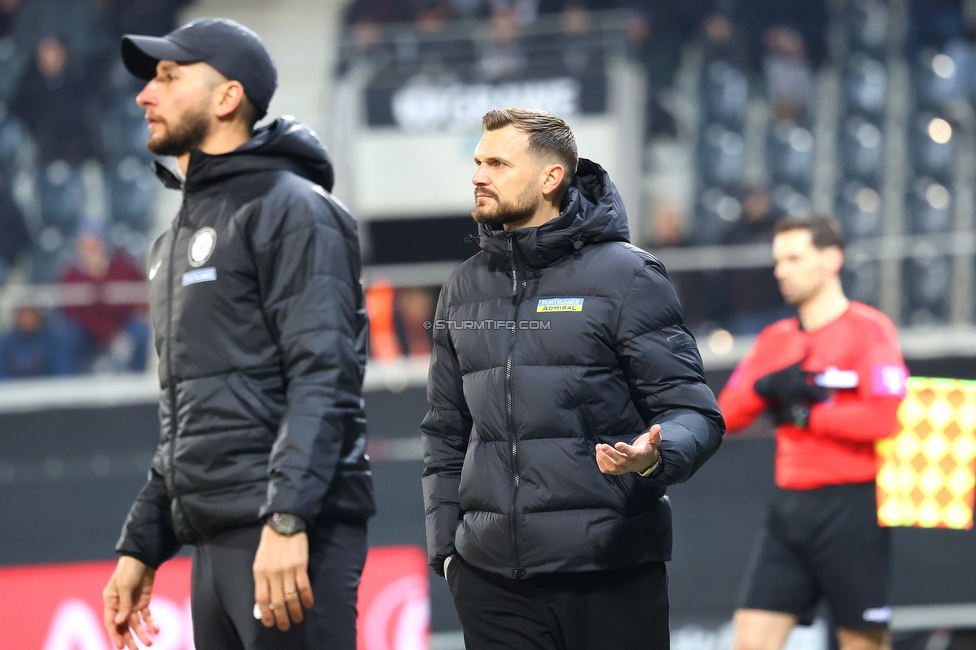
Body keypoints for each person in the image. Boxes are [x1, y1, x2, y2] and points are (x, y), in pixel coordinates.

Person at [101, 18, 374, 650]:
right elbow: (189, 411)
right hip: (215, 540)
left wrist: (287, 517)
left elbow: (324, 376)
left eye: (169, 78)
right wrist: (142, 544)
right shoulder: (172, 241)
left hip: (289, 537)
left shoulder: (294, 210)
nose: (145, 95)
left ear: (227, 99)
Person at [421, 108, 725, 649]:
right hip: (490, 582)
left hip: (608, 570)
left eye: (496, 162)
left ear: (551, 178)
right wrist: (448, 554)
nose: (478, 176)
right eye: (477, 162)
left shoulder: (628, 276)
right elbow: (446, 431)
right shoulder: (462, 288)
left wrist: (654, 456)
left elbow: (695, 413)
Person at [717, 214, 907, 650]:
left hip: (851, 509)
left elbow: (885, 419)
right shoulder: (774, 340)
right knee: (749, 642)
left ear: (831, 259)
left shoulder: (870, 330)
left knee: (864, 644)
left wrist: (806, 416)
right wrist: (765, 388)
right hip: (789, 511)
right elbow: (724, 417)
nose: (781, 269)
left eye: (795, 258)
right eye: (779, 259)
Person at [59, 223, 149, 373]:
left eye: (94, 244)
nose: (90, 250)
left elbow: (142, 289)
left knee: (140, 331)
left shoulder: (123, 266)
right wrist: (110, 335)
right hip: (88, 330)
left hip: (122, 324)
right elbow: (76, 313)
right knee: (67, 336)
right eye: (85, 245)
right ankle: (67, 387)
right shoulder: (71, 275)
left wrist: (139, 311)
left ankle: (137, 380)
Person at [0, 305, 75, 379]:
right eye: (24, 315)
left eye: (31, 315)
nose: (27, 319)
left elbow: (63, 370)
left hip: (47, 388)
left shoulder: (53, 341)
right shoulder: (6, 343)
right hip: (13, 389)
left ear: (38, 316)